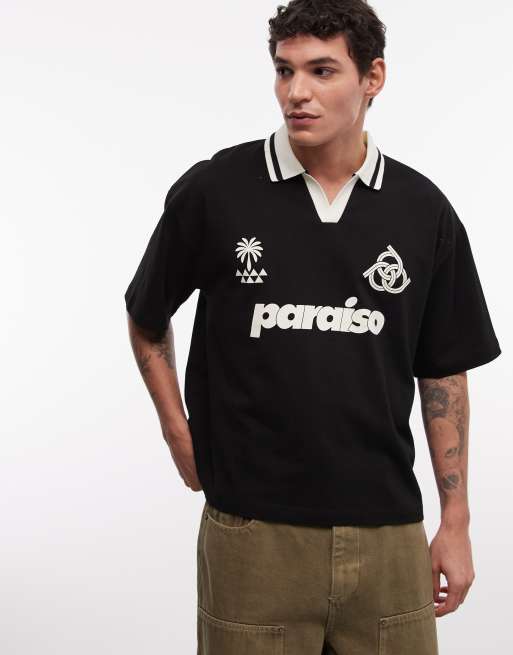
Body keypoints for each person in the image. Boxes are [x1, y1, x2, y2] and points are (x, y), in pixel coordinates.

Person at [124, 1, 502, 652]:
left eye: (322, 71)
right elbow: (146, 313)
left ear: (372, 77)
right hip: (254, 533)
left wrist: (456, 520)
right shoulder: (216, 190)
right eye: (284, 70)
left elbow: (443, 371)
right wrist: (176, 429)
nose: (296, 91)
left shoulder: (422, 210)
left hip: (388, 533)